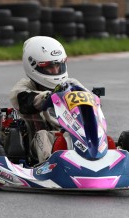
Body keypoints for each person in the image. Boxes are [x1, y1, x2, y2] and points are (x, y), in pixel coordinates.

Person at [9, 36, 86, 164]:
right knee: (42, 134)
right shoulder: (23, 88)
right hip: (38, 142)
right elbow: (27, 101)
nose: (56, 71)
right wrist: (48, 97)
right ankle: (49, 166)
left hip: (72, 136)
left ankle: (101, 157)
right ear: (34, 66)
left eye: (59, 65)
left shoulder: (71, 84)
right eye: (50, 67)